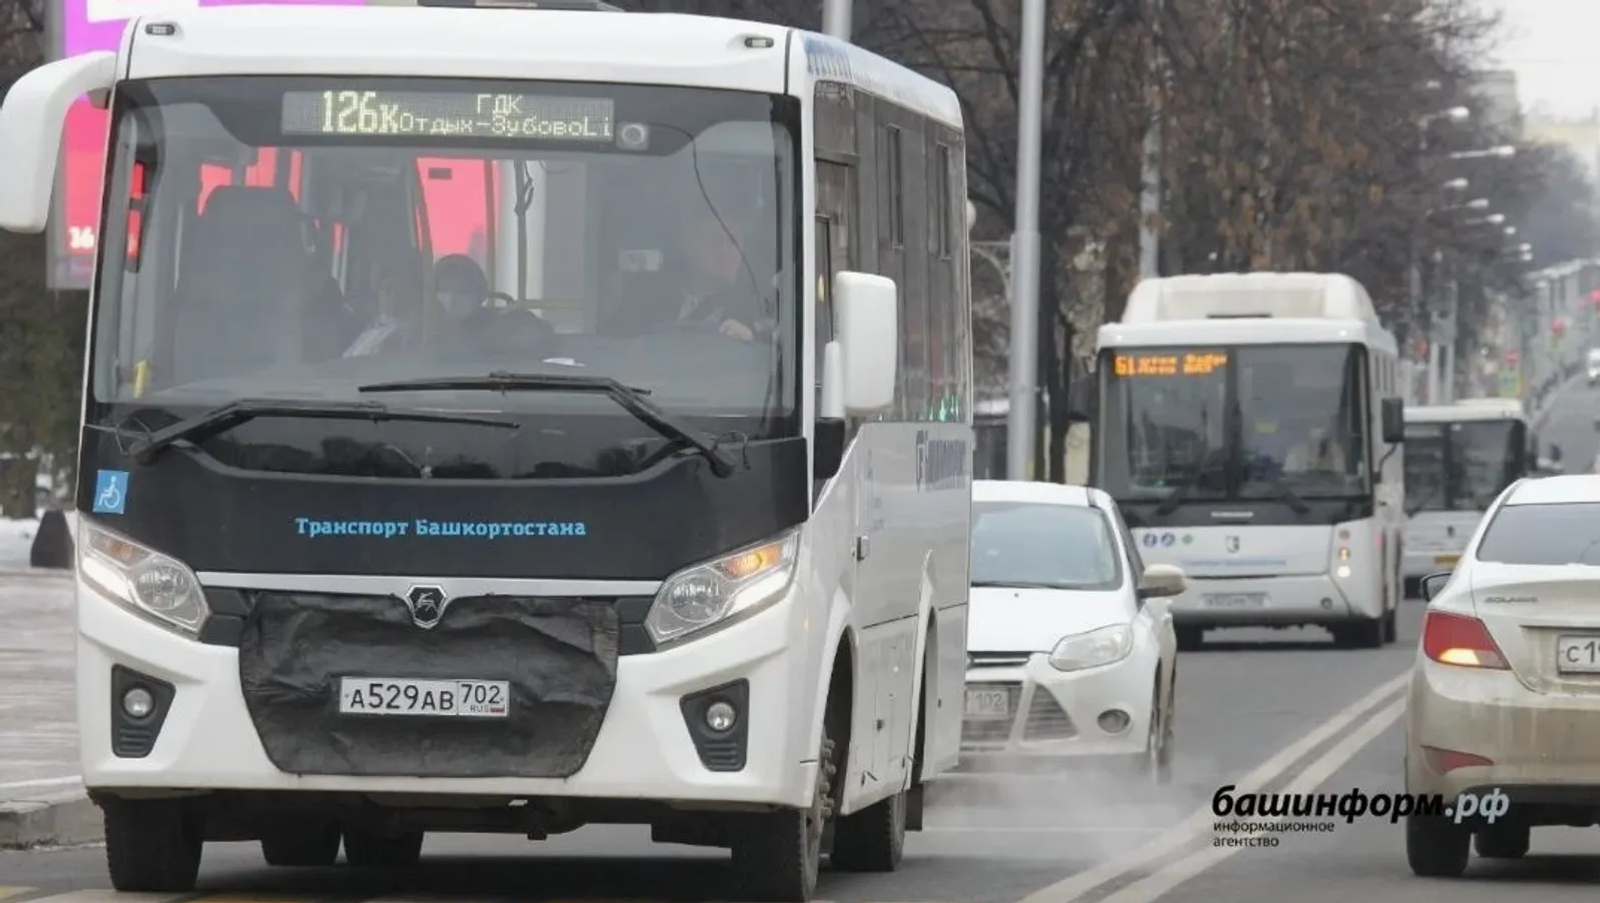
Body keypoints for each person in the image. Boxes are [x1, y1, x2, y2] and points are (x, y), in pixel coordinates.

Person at [613, 206, 765, 340]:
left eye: (733, 241)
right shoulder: (646, 292)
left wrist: (748, 339)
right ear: (687, 245)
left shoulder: (757, 304)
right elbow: (616, 342)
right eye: (714, 241)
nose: (725, 251)